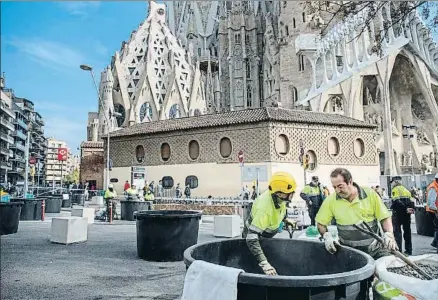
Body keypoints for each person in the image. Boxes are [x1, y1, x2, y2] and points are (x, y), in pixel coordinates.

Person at [316, 168, 397, 259]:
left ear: (350, 181)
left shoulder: (369, 194)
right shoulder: (331, 201)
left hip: (375, 250)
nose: (337, 191)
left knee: (386, 266)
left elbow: (384, 217)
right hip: (349, 253)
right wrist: (326, 236)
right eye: (334, 187)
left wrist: (389, 234)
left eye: (340, 186)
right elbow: (321, 224)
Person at [242, 172, 297, 275]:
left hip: (265, 236)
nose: (293, 193)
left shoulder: (279, 198)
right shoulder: (264, 209)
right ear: (279, 193)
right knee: (254, 267)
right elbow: (251, 238)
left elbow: (280, 209)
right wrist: (264, 264)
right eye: (290, 192)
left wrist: (286, 219)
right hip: (256, 239)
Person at [390, 177, 414, 255]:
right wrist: (408, 209)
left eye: (392, 182)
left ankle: (399, 250)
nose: (392, 184)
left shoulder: (395, 190)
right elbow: (411, 203)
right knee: (407, 232)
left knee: (397, 232)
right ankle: (409, 250)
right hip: (407, 214)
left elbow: (396, 202)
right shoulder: (406, 190)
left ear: (395, 182)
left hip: (398, 214)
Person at [426, 173, 438, 251]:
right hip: (433, 211)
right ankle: (436, 244)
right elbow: (431, 203)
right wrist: (436, 211)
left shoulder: (436, 186)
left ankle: (435, 243)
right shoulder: (433, 187)